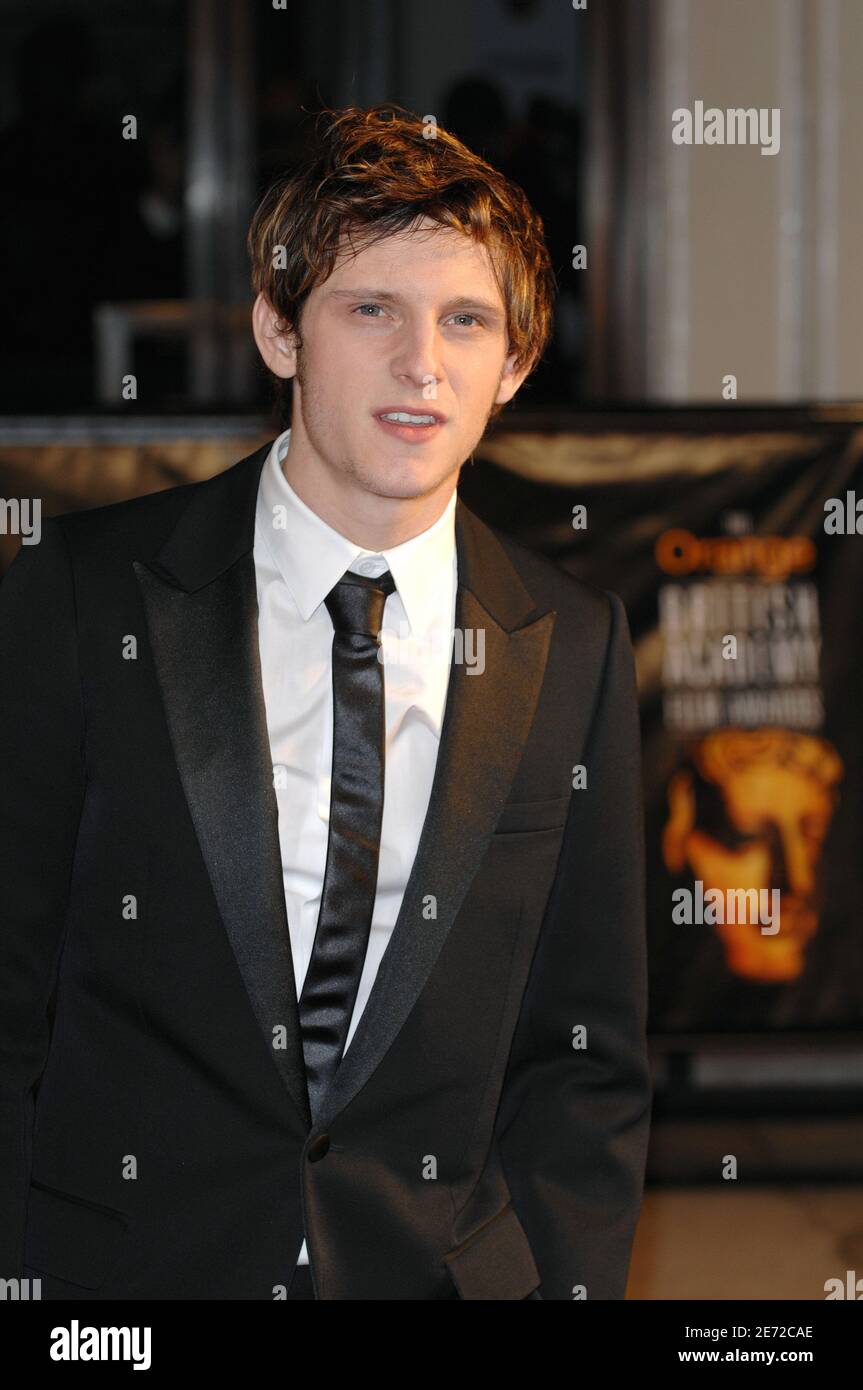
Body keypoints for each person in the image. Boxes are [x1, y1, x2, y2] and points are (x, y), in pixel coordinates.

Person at [0, 103, 651, 1300]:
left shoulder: (571, 645)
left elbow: (585, 1058)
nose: (422, 364)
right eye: (371, 310)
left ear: (511, 365)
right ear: (278, 330)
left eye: (465, 321)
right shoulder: (89, 600)